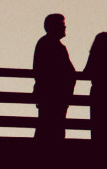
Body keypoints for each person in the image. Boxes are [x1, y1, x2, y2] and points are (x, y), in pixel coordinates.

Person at [32, 14, 75, 143]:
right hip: (55, 95)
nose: (65, 27)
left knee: (47, 128)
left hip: (52, 95)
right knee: (53, 130)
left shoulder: (46, 43)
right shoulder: (52, 45)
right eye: (62, 25)